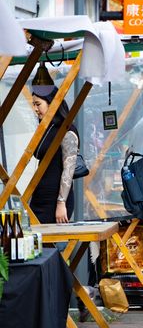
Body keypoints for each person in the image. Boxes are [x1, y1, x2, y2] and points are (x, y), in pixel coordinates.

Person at [30, 85, 78, 224]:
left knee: (49, 243)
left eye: (38, 104)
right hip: (39, 197)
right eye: (34, 104)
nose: (35, 109)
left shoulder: (67, 130)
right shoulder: (45, 129)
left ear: (51, 103)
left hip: (56, 199)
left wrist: (61, 203)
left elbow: (68, 170)